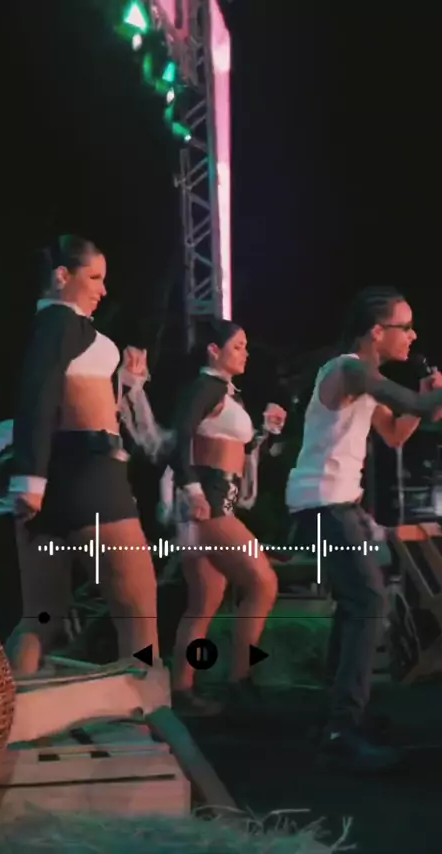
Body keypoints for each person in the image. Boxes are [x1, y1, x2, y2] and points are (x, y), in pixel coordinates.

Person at [286, 286, 442, 770]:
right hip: (323, 505)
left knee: (357, 603)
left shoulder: (364, 379)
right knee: (368, 601)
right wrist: (426, 401)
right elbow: (417, 408)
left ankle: (337, 715)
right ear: (377, 331)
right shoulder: (349, 369)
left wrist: (425, 402)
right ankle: (342, 727)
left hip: (337, 506)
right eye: (405, 326)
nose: (412, 335)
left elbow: (395, 433)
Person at [8, 234, 168, 675]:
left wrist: (128, 384)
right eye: (94, 277)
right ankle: (149, 708)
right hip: (89, 473)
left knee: (41, 617)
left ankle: (0, 711)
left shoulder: (63, 326)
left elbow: (75, 394)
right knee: (137, 611)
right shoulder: (60, 320)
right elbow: (37, 391)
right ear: (63, 276)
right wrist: (28, 477)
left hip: (60, 474)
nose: (103, 289)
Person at [164, 319, 287, 714]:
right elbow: (180, 439)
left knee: (205, 600)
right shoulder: (207, 386)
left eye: (246, 346)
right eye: (237, 346)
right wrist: (193, 491)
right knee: (263, 582)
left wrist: (264, 433)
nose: (245, 353)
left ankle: (182, 690)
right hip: (209, 502)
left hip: (215, 499)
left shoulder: (223, 392)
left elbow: (231, 450)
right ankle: (240, 680)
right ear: (213, 351)